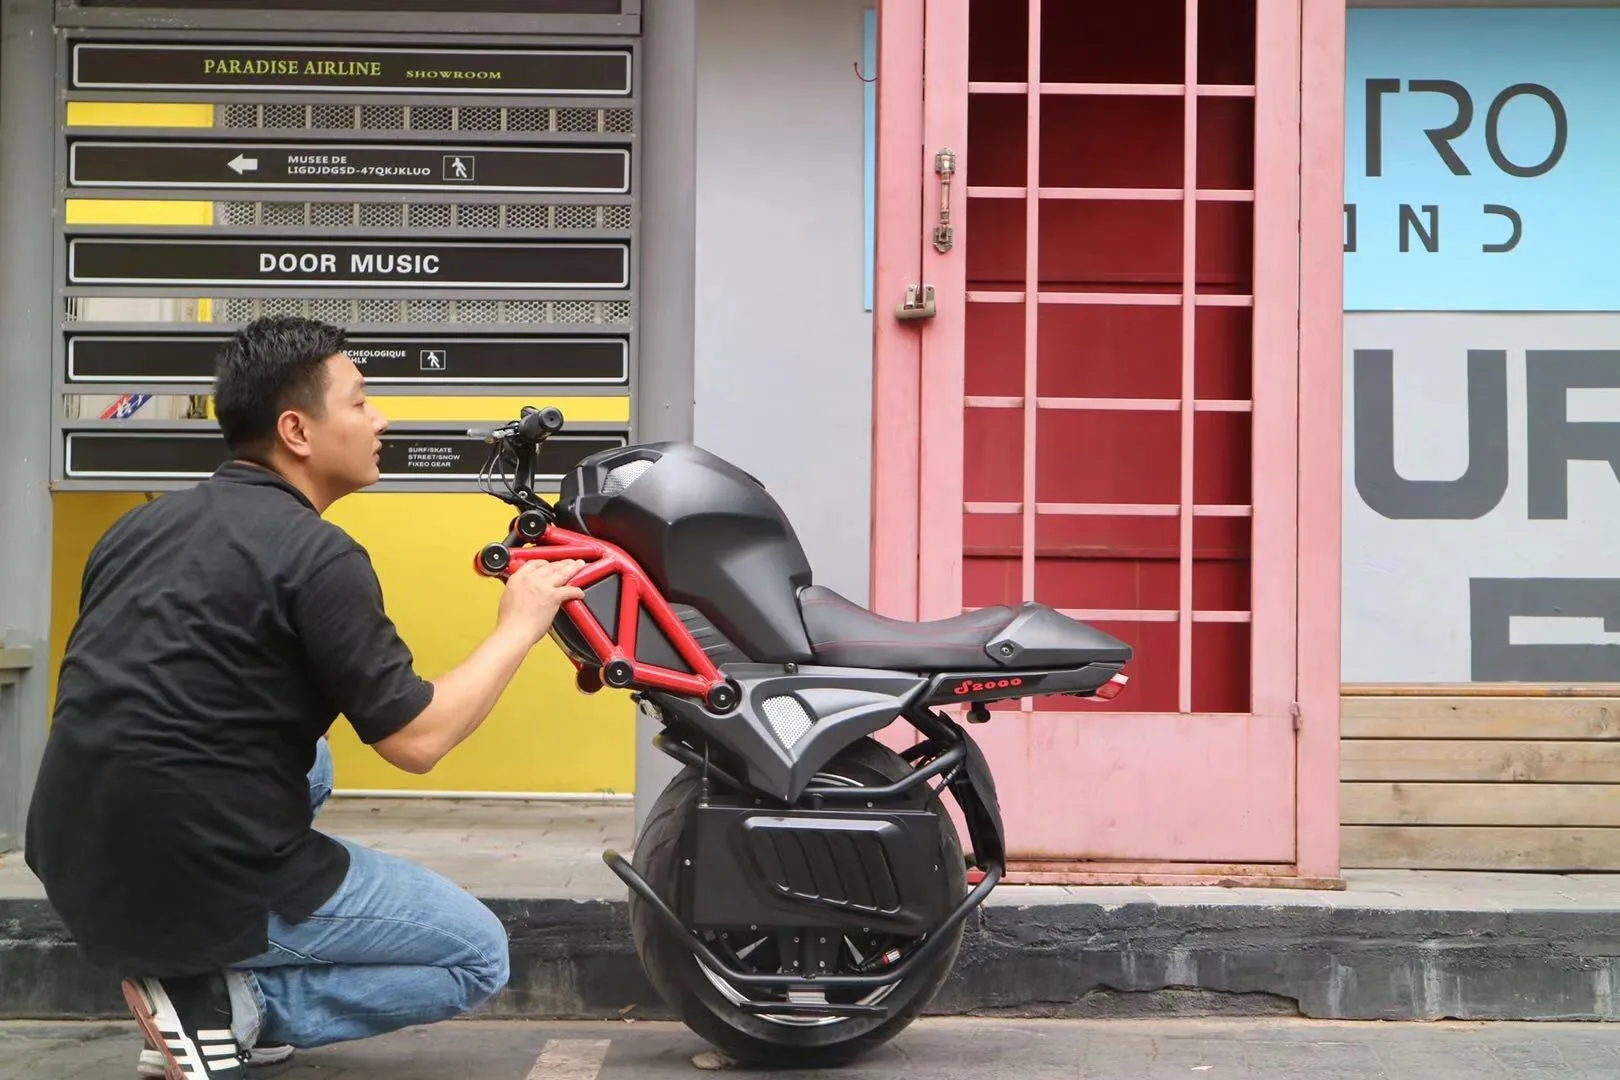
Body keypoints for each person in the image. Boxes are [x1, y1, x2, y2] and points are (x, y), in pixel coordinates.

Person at [24, 315, 585, 1080]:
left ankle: (193, 986)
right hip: (193, 867)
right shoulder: (318, 556)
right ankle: (225, 1004)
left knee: (311, 759)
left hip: (72, 848)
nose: (379, 419)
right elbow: (417, 740)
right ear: (297, 430)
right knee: (476, 956)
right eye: (359, 403)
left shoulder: (140, 528)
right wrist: (518, 626)